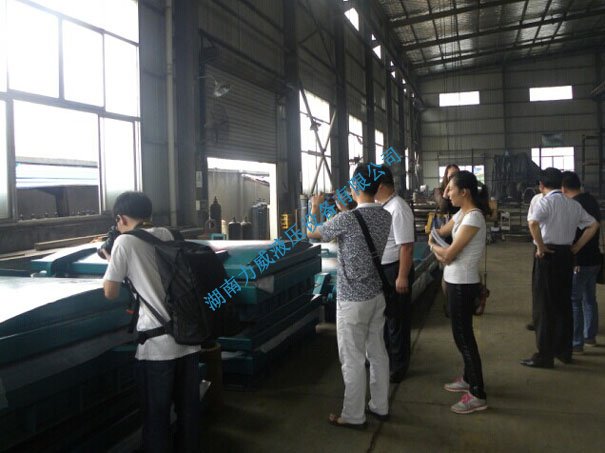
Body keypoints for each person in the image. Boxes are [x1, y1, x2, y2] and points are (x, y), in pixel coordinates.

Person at [102, 191, 201, 452]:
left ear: (121, 218)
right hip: (188, 340)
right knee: (189, 413)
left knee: (156, 418)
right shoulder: (168, 234)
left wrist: (110, 259)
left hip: (157, 350)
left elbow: (110, 291)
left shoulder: (124, 243)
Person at [307, 163, 392, 428]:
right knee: (377, 352)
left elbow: (312, 233)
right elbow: (360, 227)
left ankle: (354, 415)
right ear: (377, 187)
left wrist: (314, 208)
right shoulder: (385, 216)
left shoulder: (347, 220)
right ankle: (380, 406)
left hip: (352, 301)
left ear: (355, 187)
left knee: (353, 359)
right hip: (376, 296)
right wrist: (345, 210)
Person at [522, 168, 598, 369]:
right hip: (566, 254)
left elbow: (533, 223)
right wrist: (577, 247)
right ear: (561, 185)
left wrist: (540, 246)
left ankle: (544, 356)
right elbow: (593, 225)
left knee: (544, 305)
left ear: (541, 185)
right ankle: (564, 352)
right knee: (563, 303)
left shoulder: (544, 202)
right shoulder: (572, 204)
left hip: (547, 254)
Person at [429, 170, 489, 414]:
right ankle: (467, 377)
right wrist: (436, 239)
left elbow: (448, 254)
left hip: (463, 284)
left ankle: (477, 393)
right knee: (459, 335)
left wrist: (434, 247)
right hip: (454, 281)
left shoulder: (473, 217)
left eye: (451, 189)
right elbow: (441, 232)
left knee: (464, 337)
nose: (447, 193)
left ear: (464, 192)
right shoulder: (462, 213)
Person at [374, 165, 415, 383]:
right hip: (385, 270)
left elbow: (406, 246)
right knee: (387, 319)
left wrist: (402, 276)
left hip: (396, 270)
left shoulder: (398, 208)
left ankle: (398, 367)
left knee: (398, 321)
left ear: (381, 186)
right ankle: (388, 359)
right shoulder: (383, 206)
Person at [561, 171, 601, 352]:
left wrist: (576, 249)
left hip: (580, 261)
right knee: (589, 299)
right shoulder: (591, 200)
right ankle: (589, 337)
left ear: (563, 188)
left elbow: (583, 230)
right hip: (595, 258)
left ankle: (576, 343)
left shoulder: (574, 205)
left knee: (574, 301)